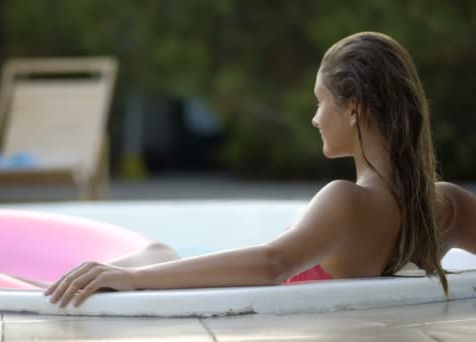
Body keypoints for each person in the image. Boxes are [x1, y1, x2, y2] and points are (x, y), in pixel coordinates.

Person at [43, 31, 476, 308]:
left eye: (321, 101)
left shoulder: (346, 202)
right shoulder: (448, 206)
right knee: (158, 254)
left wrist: (134, 279)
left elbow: (272, 263)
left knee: (153, 254)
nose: (314, 117)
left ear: (354, 110)